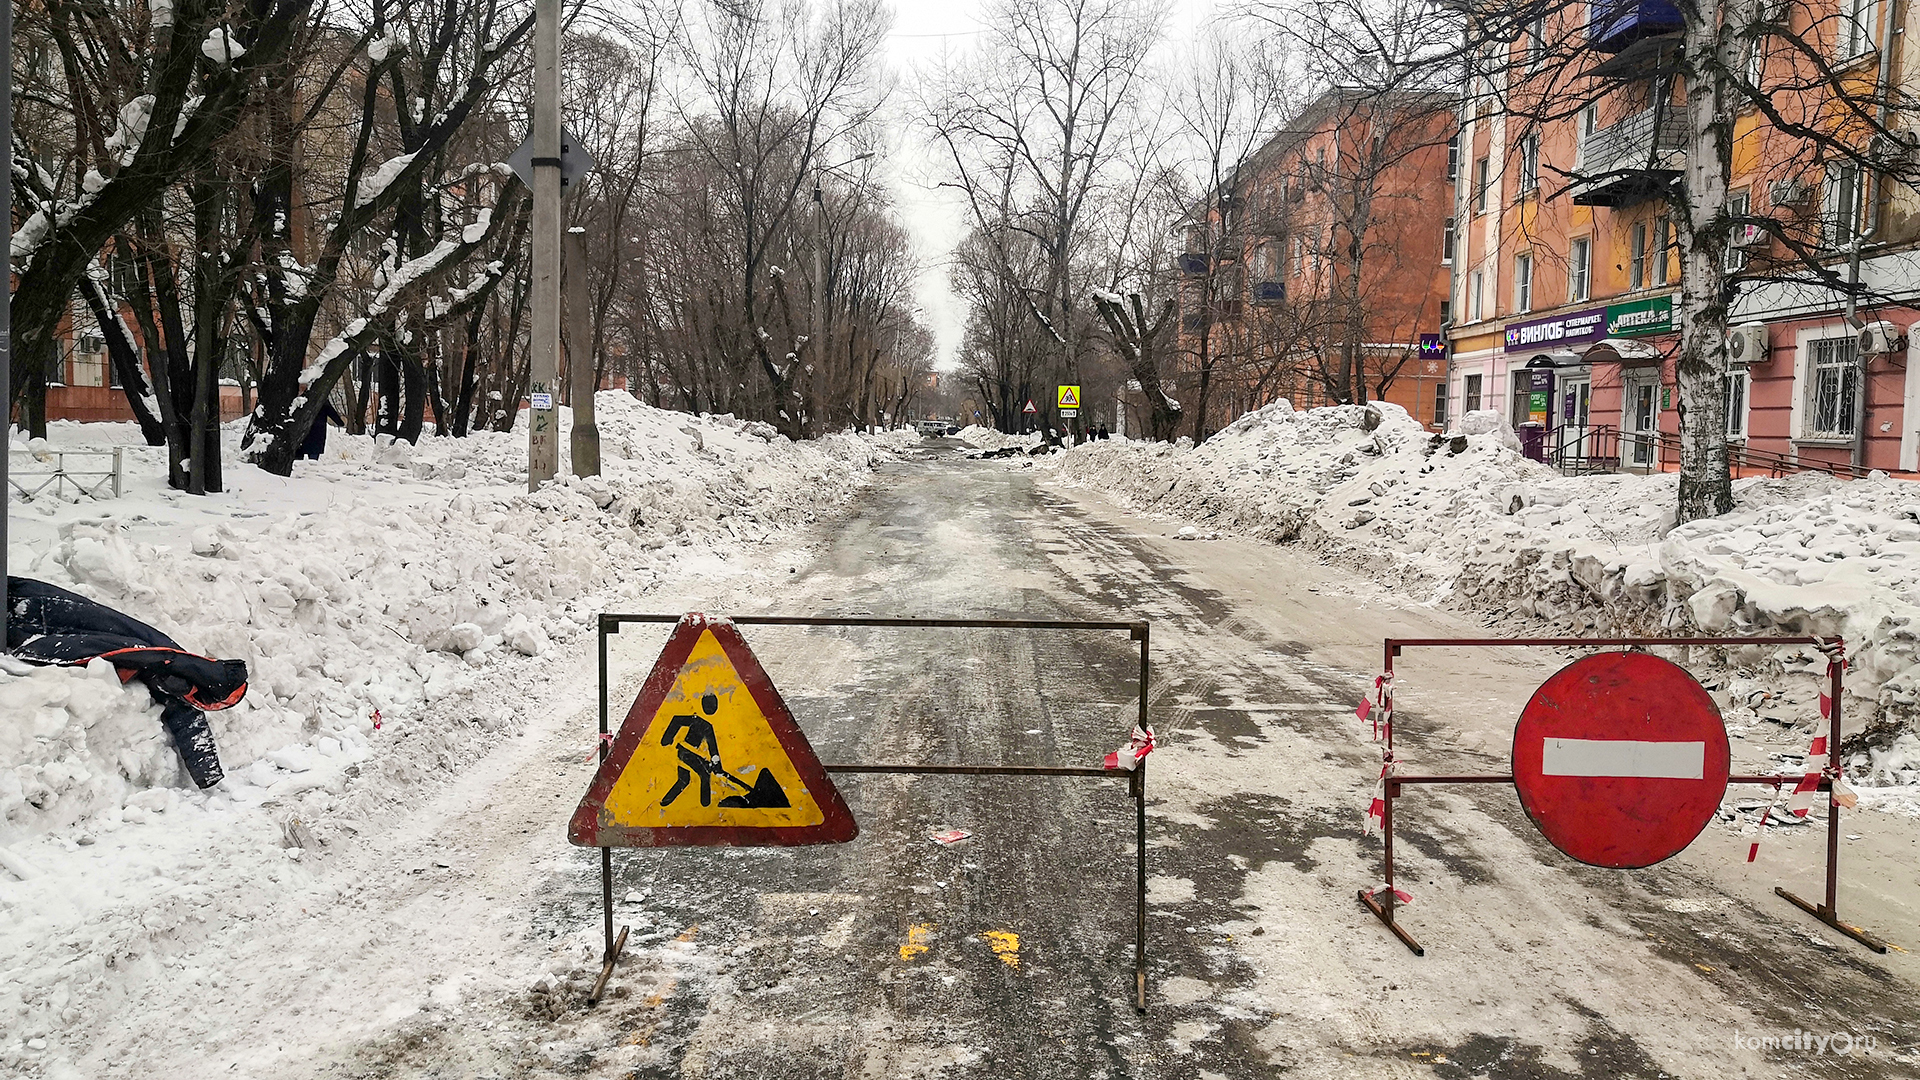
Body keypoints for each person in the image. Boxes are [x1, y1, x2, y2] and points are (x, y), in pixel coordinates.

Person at [299, 396, 347, 460]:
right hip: (318, 430)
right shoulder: (322, 400)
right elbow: (332, 413)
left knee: (300, 454)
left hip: (304, 429)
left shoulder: (303, 399)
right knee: (314, 453)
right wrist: (340, 422)